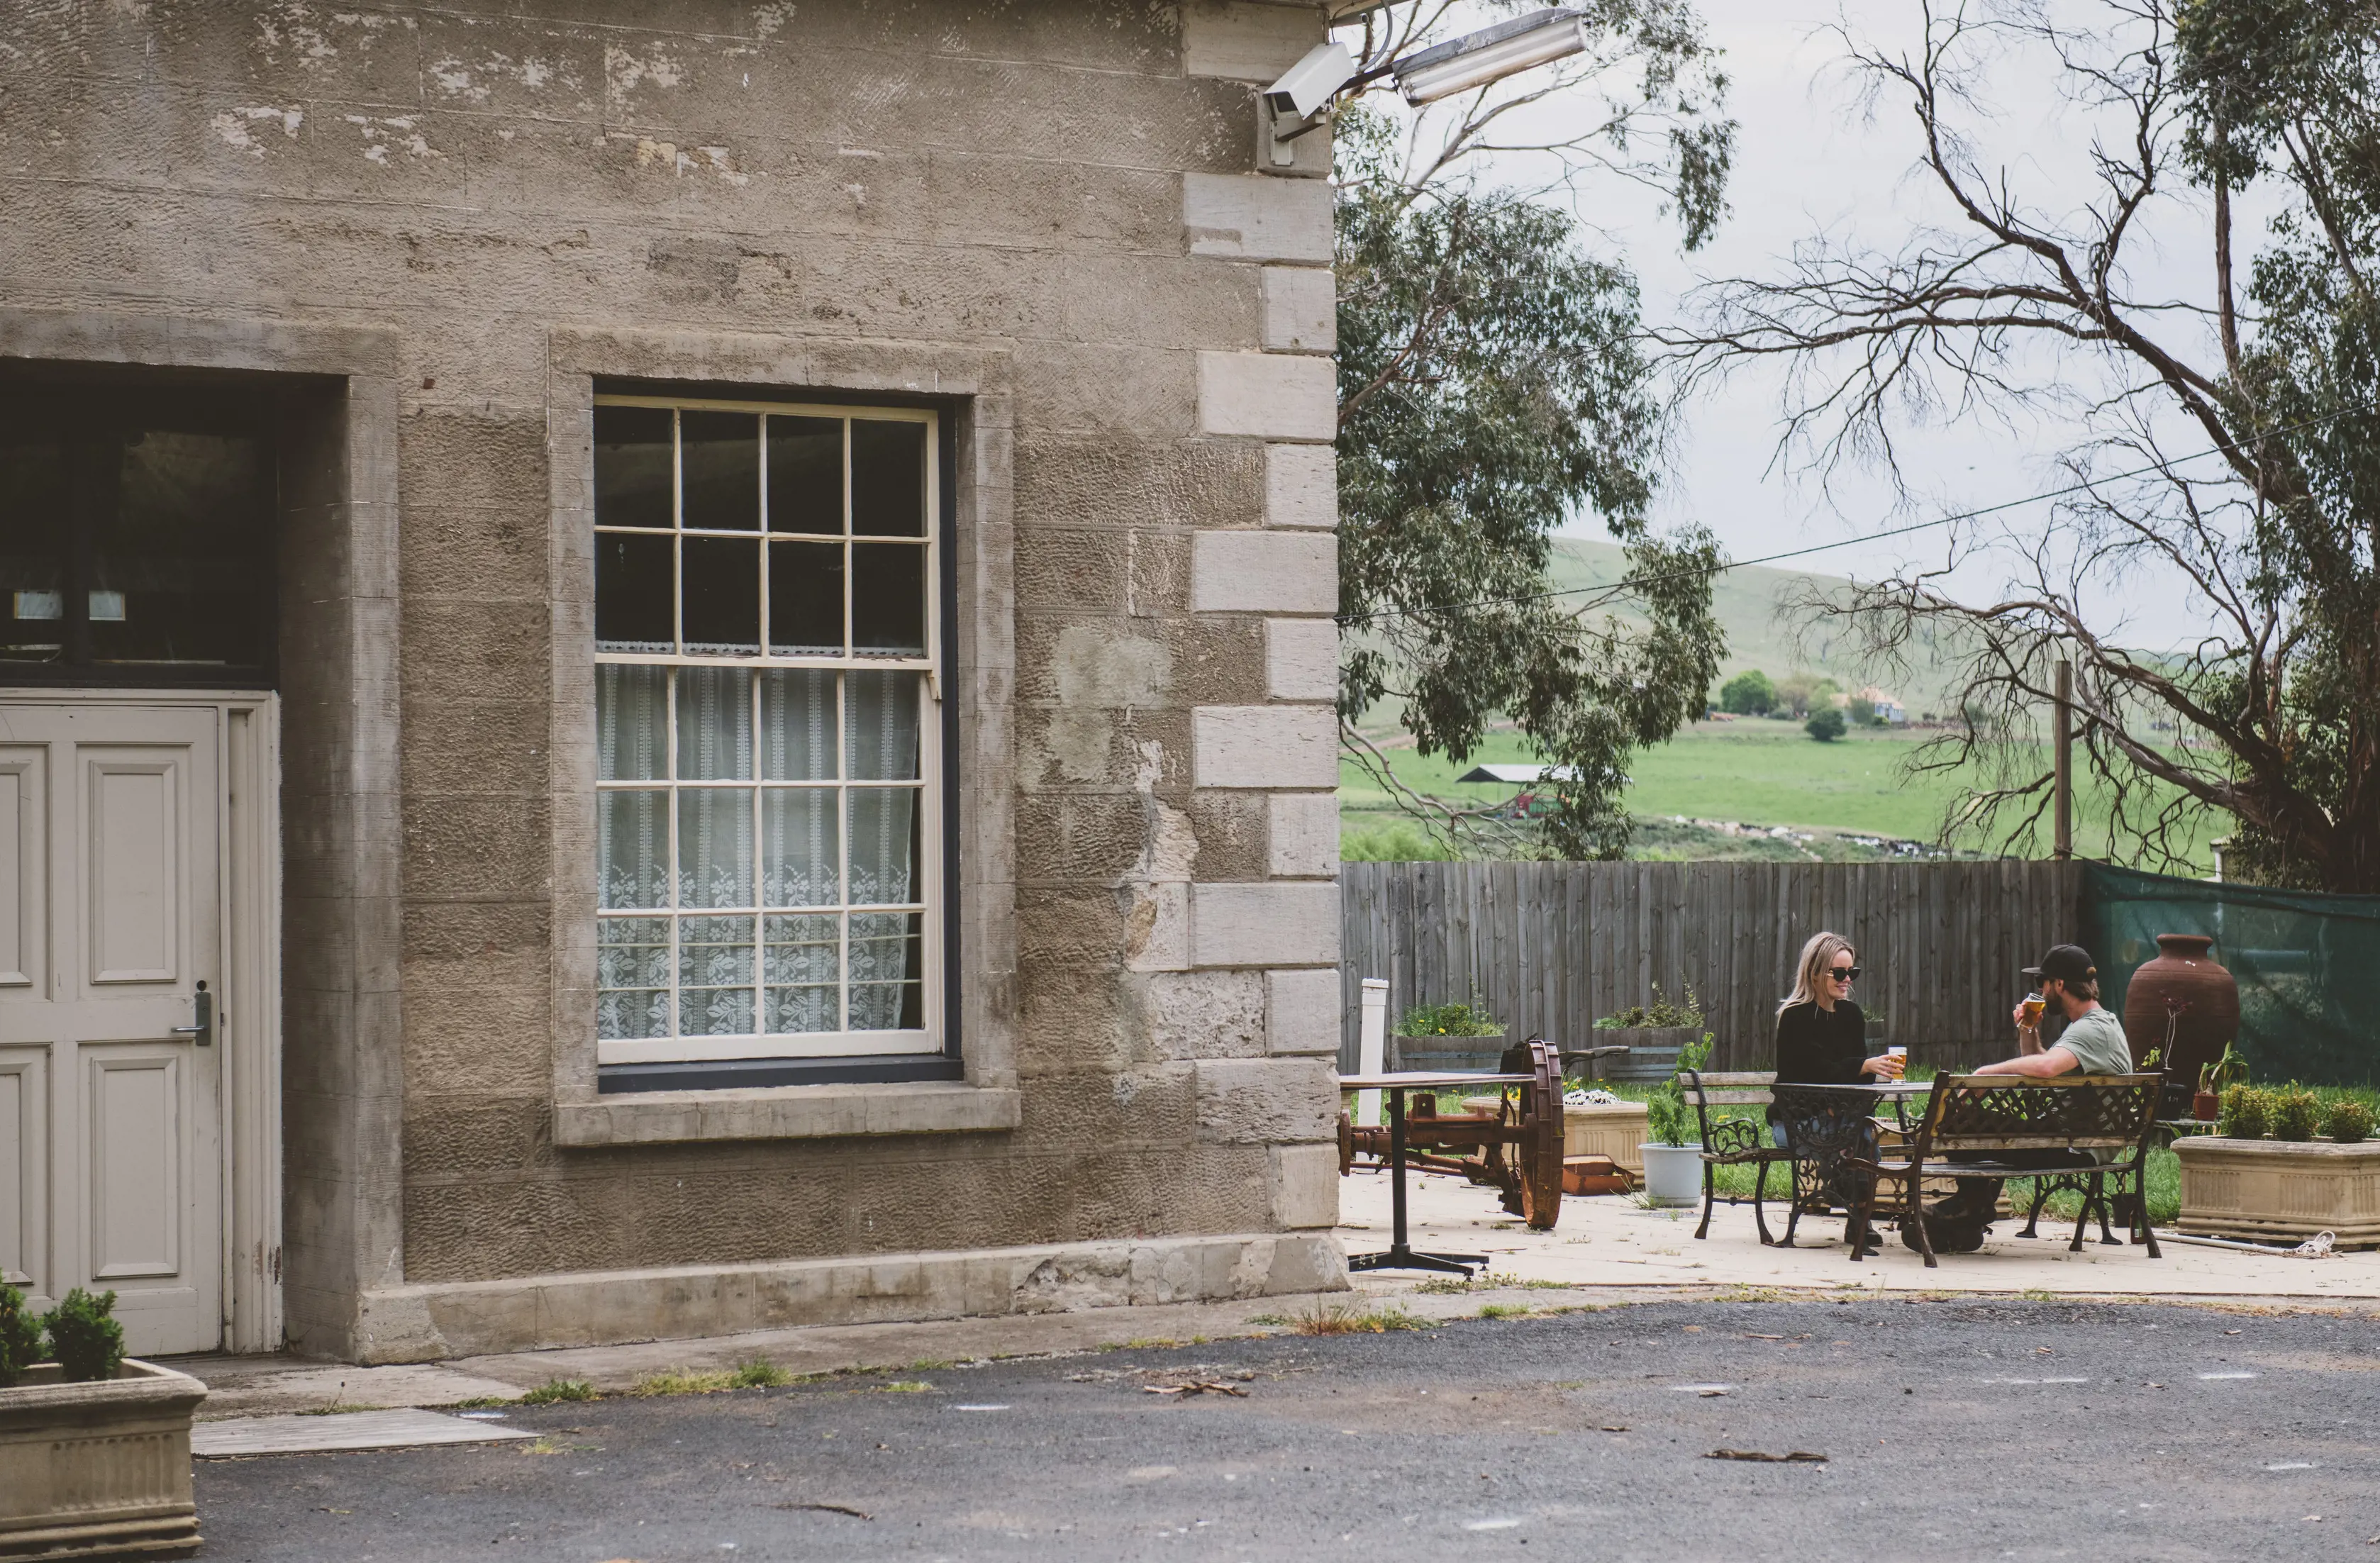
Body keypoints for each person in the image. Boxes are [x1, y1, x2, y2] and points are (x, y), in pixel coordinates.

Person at [1915, 942, 2136, 1251]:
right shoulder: (2099, 1024)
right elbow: (2044, 1068)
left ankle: (1972, 1204)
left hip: (2070, 1146)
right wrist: (2027, 1030)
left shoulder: (2090, 1030)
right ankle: (1972, 1203)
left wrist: (1985, 1073)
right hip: (2070, 1139)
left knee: (1959, 1117)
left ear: (2059, 984)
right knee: (1964, 1116)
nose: (2040, 990)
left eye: (2041, 982)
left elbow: (2046, 1067)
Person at [1771, 932, 1904, 1257]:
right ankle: (1859, 1219)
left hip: (1841, 1122)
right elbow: (1808, 1071)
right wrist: (1862, 1067)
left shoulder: (1851, 1015)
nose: (1847, 980)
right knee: (1859, 1135)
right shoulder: (1795, 1017)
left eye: (1852, 973)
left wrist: (1861, 1079)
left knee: (1862, 1132)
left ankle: (1857, 1215)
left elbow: (1857, 1083)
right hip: (1795, 1121)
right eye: (1839, 972)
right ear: (1815, 973)